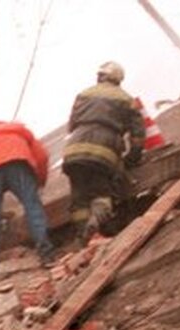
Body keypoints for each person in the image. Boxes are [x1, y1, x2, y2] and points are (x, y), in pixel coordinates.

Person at [62, 61, 144, 243]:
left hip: (73, 150)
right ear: (118, 79)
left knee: (79, 199)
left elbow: (71, 125)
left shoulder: (84, 94)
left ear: (100, 76)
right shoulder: (126, 99)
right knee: (102, 193)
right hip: (104, 150)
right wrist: (133, 158)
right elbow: (138, 135)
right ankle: (94, 224)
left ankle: (82, 237)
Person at [0, 120, 55, 272]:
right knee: (32, 206)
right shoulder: (19, 130)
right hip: (18, 162)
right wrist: (40, 180)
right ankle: (46, 252)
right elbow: (42, 156)